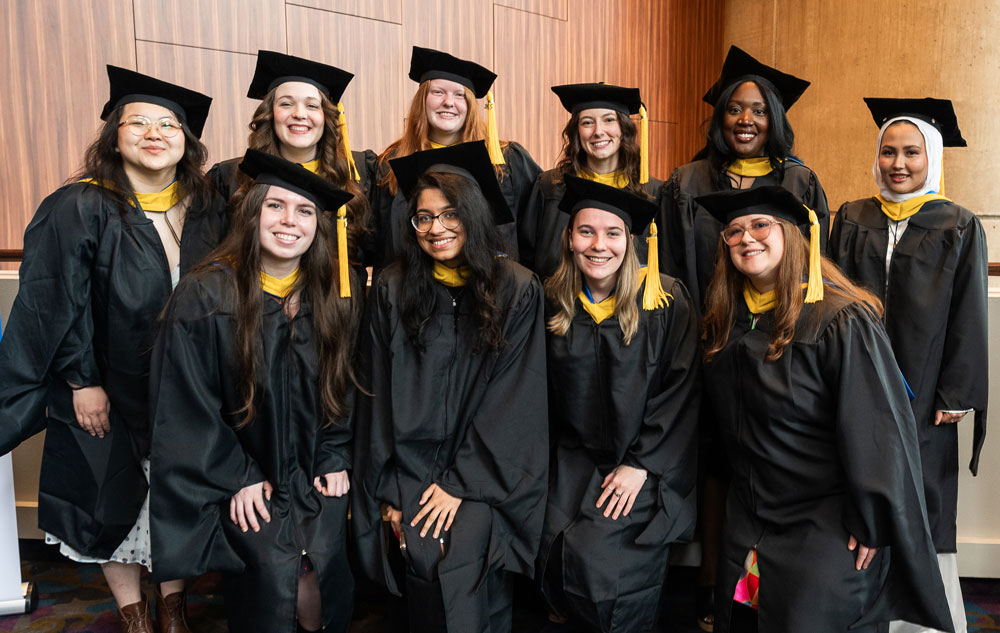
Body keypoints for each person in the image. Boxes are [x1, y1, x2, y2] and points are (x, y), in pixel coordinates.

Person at [0, 66, 223, 632]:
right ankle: (134, 615)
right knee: (109, 499)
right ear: (113, 135)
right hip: (107, 386)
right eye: (138, 122)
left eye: (168, 124)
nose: (154, 133)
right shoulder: (79, 205)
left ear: (187, 141)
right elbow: (55, 299)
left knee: (173, 495)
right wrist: (81, 381)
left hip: (184, 387)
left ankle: (172, 607)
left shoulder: (204, 208)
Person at [697, 185, 953, 633]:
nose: (746, 238)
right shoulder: (728, 318)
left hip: (824, 518)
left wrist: (871, 518)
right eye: (733, 231)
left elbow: (879, 428)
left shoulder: (839, 317)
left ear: (794, 235)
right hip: (751, 513)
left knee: (809, 617)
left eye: (761, 225)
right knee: (738, 619)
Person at [148, 149, 362, 633]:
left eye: (305, 210)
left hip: (312, 469)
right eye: (275, 206)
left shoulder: (331, 295)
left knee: (322, 573)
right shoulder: (206, 295)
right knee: (273, 577)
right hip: (242, 473)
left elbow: (343, 385)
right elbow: (185, 405)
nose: (290, 221)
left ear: (318, 224)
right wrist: (235, 474)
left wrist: (333, 454)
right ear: (252, 213)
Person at [657, 46, 831, 631]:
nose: (746, 120)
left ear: (775, 117)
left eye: (757, 110)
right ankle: (713, 582)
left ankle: (772, 583)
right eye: (734, 110)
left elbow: (813, 272)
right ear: (720, 118)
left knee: (769, 456)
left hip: (778, 341)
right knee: (715, 458)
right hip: (708, 341)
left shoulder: (800, 180)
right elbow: (674, 271)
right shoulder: (687, 180)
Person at [352, 141, 548, 632]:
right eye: (423, 217)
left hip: (485, 474)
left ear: (475, 215)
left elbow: (516, 399)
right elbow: (375, 393)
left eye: (449, 213)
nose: (436, 228)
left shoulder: (517, 289)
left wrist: (462, 483)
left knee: (465, 549)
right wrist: (392, 486)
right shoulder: (393, 289)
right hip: (412, 470)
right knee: (420, 547)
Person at [827, 98, 987, 633]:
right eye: (889, 152)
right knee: (863, 481)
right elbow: (830, 298)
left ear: (931, 157)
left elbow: (970, 312)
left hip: (926, 391)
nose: (899, 163)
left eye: (912, 153)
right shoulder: (852, 217)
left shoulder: (959, 224)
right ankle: (862, 611)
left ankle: (923, 621)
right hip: (861, 383)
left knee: (925, 497)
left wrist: (957, 392)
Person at [537, 176, 700, 632]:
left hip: (646, 462)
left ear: (630, 242)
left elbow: (681, 389)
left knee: (601, 563)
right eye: (586, 231)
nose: (598, 245)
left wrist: (643, 463)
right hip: (572, 461)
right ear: (569, 239)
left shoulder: (665, 300)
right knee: (549, 541)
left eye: (612, 234)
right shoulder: (551, 302)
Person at [370, 46, 541, 267]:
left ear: (470, 105)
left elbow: (534, 236)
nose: (449, 102)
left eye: (459, 94)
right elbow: (382, 246)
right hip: (415, 290)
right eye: (438, 92)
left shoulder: (506, 160)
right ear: (422, 100)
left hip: (490, 289)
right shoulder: (392, 163)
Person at [207, 50, 373, 265]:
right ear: (269, 113)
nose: (299, 114)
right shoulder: (230, 177)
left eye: (312, 105)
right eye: (286, 104)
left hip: (336, 298)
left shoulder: (358, 173)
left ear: (327, 117)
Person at [522, 82, 664, 278]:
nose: (598, 131)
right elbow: (527, 261)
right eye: (587, 122)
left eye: (608, 120)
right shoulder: (551, 187)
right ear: (577, 132)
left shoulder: (652, 193)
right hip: (558, 305)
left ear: (623, 128)